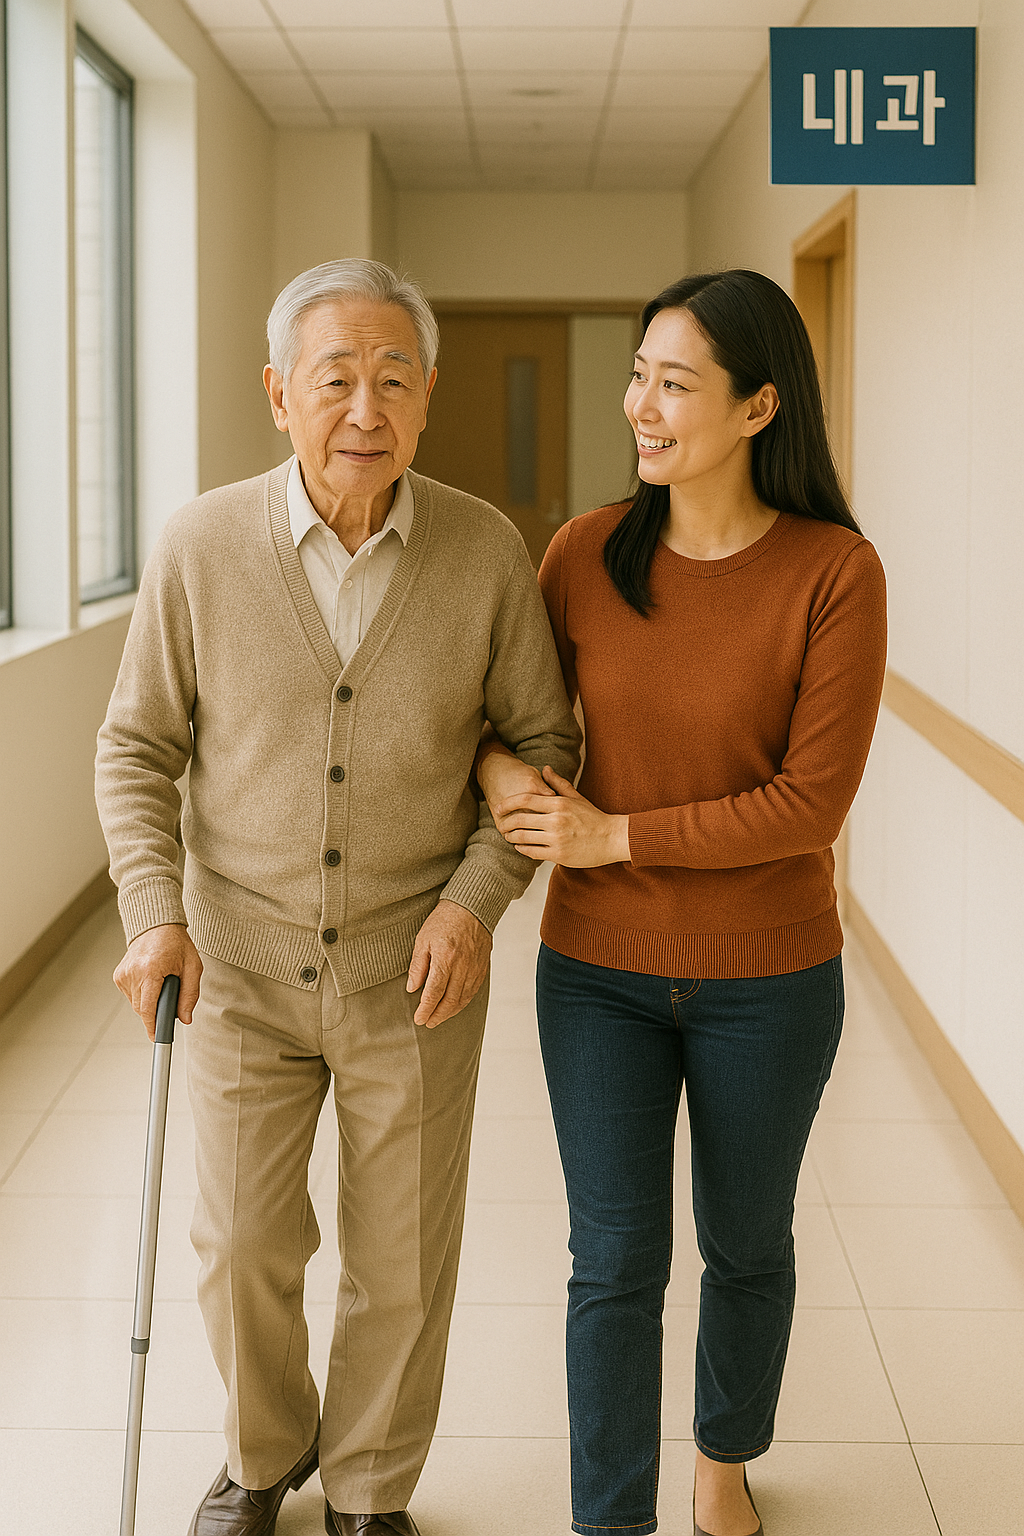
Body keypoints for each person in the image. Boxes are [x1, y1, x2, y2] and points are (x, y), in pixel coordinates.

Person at [95, 258, 580, 1536]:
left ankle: (369, 1490)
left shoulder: (483, 551)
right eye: (335, 379)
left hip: (412, 971)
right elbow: (134, 745)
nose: (364, 408)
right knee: (243, 1247)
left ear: (426, 402)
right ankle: (262, 1458)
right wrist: (157, 909)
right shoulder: (200, 545)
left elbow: (545, 750)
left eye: (393, 381)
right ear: (278, 395)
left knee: (400, 1266)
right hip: (239, 971)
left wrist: (476, 901)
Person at [476, 270, 887, 1536]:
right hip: (595, 969)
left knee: (747, 1245)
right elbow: (504, 724)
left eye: (672, 382)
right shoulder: (583, 554)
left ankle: (723, 1457)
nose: (637, 404)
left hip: (769, 980)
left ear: (760, 406)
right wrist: (509, 779)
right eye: (637, 375)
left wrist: (615, 832)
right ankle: (612, 1517)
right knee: (611, 1266)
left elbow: (806, 806)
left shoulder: (835, 572)